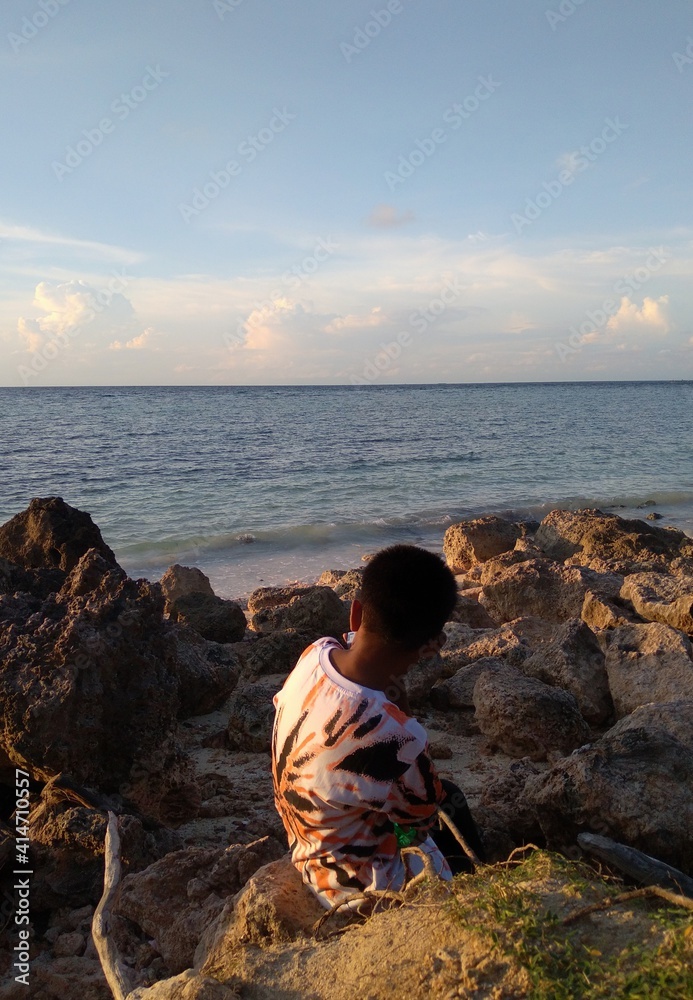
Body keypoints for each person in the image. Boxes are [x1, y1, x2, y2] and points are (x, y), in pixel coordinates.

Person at [271, 543, 485, 912]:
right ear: (426, 648)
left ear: (355, 613)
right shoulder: (396, 737)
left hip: (307, 844)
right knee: (450, 801)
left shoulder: (315, 654)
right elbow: (421, 821)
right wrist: (404, 715)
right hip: (360, 891)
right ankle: (476, 894)